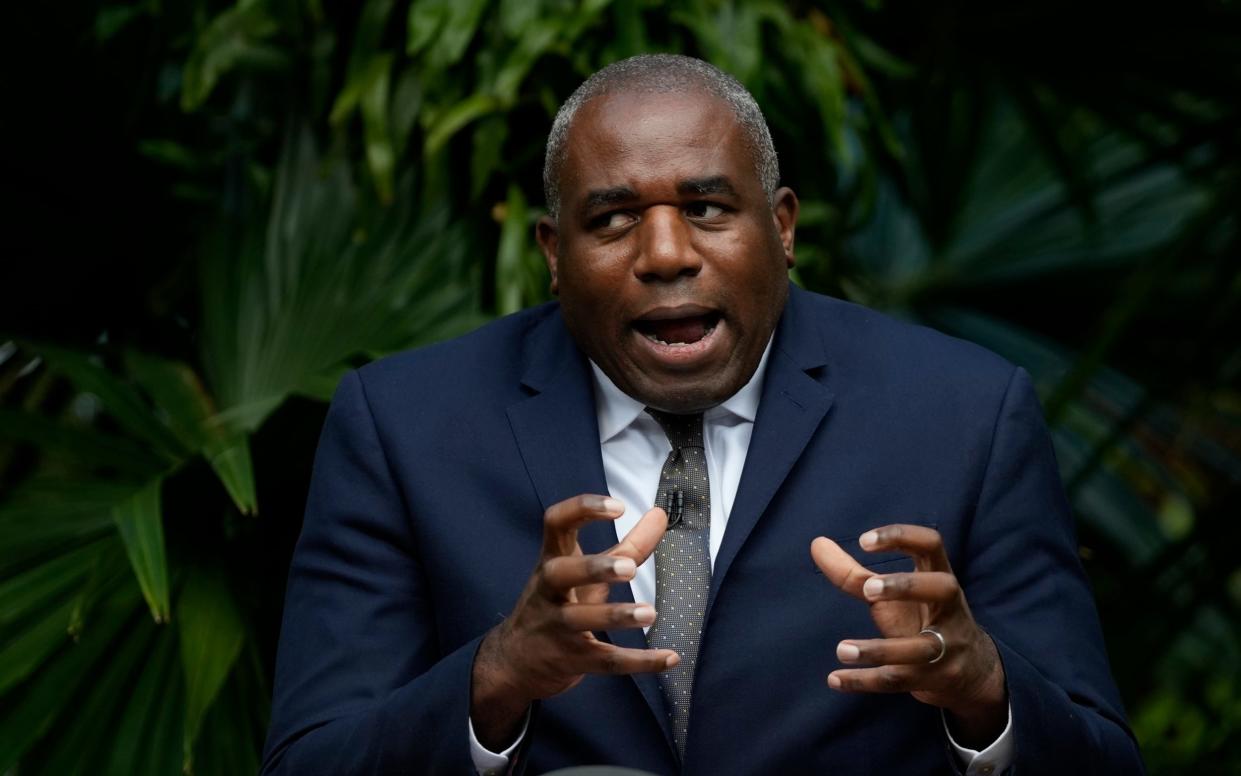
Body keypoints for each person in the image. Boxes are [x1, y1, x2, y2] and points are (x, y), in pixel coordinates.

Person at [261, 55, 1143, 775]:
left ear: (783, 226)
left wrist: (985, 691)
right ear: (553, 253)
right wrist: (493, 679)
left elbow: (1100, 759)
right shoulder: (403, 426)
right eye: (611, 219)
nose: (665, 254)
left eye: (706, 209)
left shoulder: (964, 414)